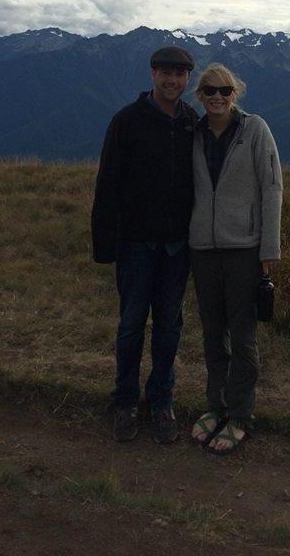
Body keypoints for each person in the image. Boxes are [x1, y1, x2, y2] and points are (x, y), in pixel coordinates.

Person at [91, 45, 198, 444]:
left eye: (180, 74)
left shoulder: (191, 121)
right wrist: (105, 246)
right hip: (135, 244)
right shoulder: (127, 122)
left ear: (188, 79)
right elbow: (108, 185)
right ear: (152, 75)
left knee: (169, 327)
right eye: (165, 73)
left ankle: (160, 401)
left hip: (176, 246)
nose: (173, 80)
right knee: (132, 325)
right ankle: (125, 401)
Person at [187, 63, 283, 454]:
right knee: (213, 335)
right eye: (209, 91)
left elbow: (272, 188)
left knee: (242, 337)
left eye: (224, 91)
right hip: (203, 250)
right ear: (200, 95)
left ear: (235, 94)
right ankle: (217, 406)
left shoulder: (255, 129)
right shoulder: (192, 133)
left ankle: (240, 414)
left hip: (244, 248)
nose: (216, 97)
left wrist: (269, 249)